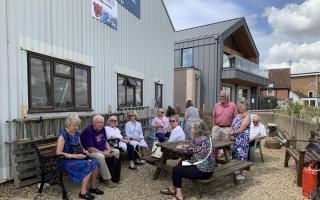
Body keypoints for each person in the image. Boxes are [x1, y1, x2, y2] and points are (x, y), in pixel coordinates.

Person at [160, 119, 214, 200]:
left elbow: (187, 151)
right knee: (181, 163)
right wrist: (187, 147)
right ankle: (173, 188)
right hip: (210, 170)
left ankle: (179, 196)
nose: (191, 130)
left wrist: (180, 147)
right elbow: (194, 149)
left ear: (197, 130)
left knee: (176, 169)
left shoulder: (197, 140)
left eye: (192, 128)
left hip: (202, 172)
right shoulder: (208, 138)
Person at [56, 114, 103, 200]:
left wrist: (84, 151)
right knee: (89, 164)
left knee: (95, 162)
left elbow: (79, 145)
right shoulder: (63, 135)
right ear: (68, 124)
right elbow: (58, 153)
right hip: (65, 161)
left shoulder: (77, 133)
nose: (76, 127)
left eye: (78, 125)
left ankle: (93, 187)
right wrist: (75, 156)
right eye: (74, 125)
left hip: (76, 158)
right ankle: (83, 192)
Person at [81, 115, 120, 187]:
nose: (100, 124)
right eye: (98, 122)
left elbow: (105, 141)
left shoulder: (102, 129)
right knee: (100, 156)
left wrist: (109, 149)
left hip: (102, 150)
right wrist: (103, 153)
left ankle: (113, 175)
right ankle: (107, 180)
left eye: (102, 122)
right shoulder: (88, 131)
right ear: (93, 123)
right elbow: (90, 148)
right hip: (89, 153)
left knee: (116, 151)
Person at [228, 101, 250, 180]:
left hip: (242, 140)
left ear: (246, 107)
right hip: (235, 139)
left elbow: (241, 129)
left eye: (242, 106)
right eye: (239, 106)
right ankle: (236, 170)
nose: (240, 107)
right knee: (235, 155)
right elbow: (233, 126)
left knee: (241, 156)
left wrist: (232, 132)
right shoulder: (237, 116)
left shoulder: (247, 117)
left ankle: (242, 174)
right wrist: (231, 134)